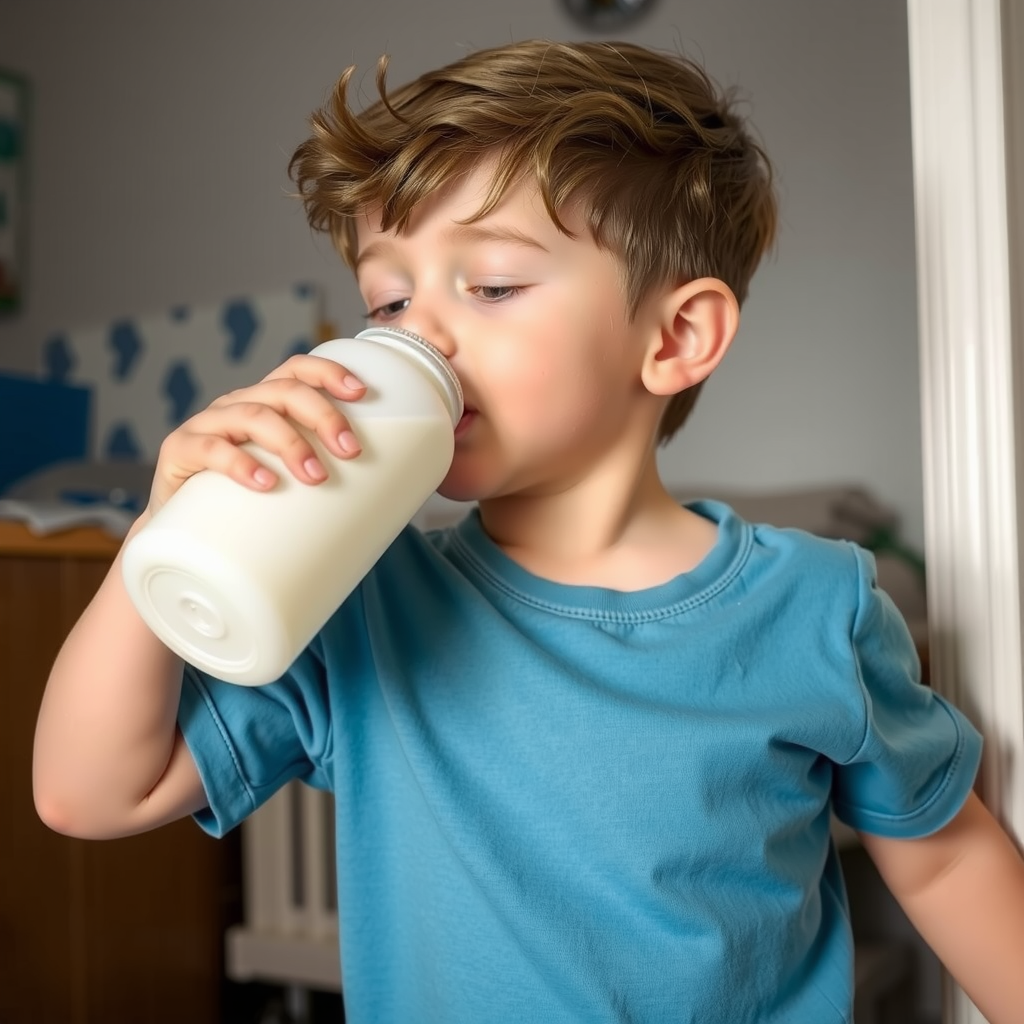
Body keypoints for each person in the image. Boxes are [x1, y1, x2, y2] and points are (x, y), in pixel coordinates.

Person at [33, 39, 1024, 1024]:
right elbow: (89, 793)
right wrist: (161, 535)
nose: (415, 337)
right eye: (388, 299)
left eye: (492, 285)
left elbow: (942, 860)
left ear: (674, 338)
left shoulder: (818, 608)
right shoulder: (365, 604)